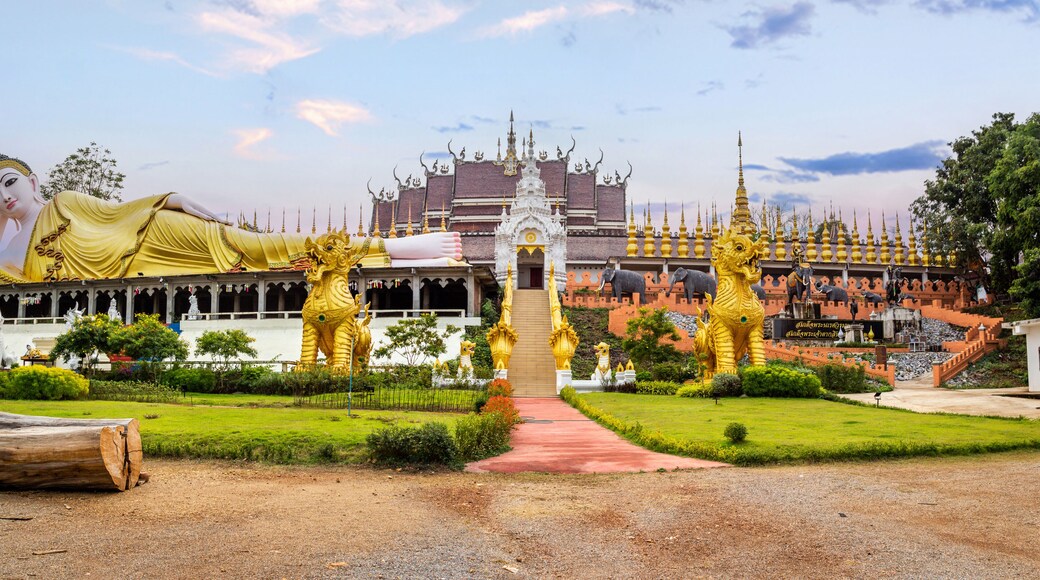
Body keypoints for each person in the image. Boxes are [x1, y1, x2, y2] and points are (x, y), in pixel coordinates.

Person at [0, 154, 462, 283]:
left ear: (33, 183)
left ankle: (389, 248)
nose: (5, 196)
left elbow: (121, 213)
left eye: (8, 183)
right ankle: (386, 249)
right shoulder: (8, 251)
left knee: (261, 247)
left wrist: (173, 198)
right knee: (266, 263)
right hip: (141, 273)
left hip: (160, 232)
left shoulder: (64, 203)